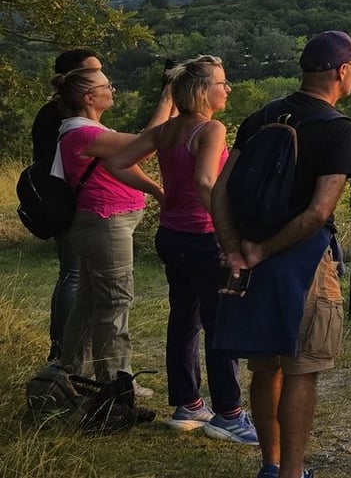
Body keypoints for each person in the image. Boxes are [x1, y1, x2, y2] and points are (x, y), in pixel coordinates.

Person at [211, 30, 351, 478]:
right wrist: (262, 250)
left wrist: (235, 250)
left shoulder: (262, 116)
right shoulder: (338, 127)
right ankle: (293, 472)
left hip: (251, 258)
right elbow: (320, 210)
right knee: (301, 369)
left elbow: (221, 189)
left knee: (265, 366)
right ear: (342, 71)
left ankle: (270, 463)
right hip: (302, 261)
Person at [105, 56, 257, 444]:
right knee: (220, 324)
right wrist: (229, 237)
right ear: (203, 91)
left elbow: (118, 161)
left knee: (184, 321)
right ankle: (228, 413)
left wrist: (159, 191)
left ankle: (188, 403)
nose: (228, 89)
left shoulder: (168, 130)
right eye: (222, 83)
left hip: (172, 236)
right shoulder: (211, 129)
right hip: (205, 238)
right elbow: (207, 181)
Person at [52, 65, 162, 385]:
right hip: (105, 224)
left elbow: (130, 160)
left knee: (88, 304)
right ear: (90, 97)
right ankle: (115, 385)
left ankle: (72, 375)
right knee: (114, 303)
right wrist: (168, 101)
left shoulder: (82, 130)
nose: (111, 90)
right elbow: (146, 144)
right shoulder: (86, 134)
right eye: (106, 86)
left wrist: (154, 189)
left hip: (100, 224)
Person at [31, 48, 101, 363]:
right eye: (94, 71)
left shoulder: (56, 113)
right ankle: (63, 353)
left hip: (69, 203)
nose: (101, 77)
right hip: (69, 205)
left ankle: (68, 353)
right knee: (73, 275)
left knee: (73, 275)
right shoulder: (60, 117)